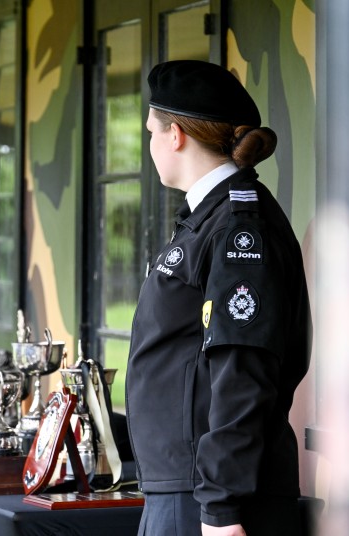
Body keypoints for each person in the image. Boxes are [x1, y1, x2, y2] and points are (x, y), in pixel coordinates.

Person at [125, 60, 311, 536]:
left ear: (176, 136)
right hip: (184, 491)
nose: (149, 144)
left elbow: (242, 368)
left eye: (152, 131)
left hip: (207, 504)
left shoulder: (237, 227)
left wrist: (220, 510)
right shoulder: (207, 219)